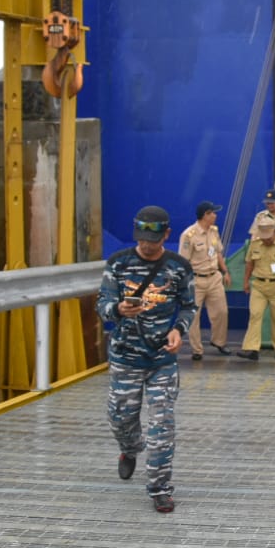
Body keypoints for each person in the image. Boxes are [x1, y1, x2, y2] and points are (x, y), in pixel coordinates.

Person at [96, 206, 196, 513]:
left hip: (161, 360)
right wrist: (117, 310)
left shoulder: (179, 268)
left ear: (166, 235)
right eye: (141, 239)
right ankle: (129, 449)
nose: (146, 245)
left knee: (161, 426)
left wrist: (179, 330)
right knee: (120, 418)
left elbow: (189, 306)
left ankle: (160, 488)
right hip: (125, 357)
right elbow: (103, 303)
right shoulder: (119, 263)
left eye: (153, 240)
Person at [236, 212, 275, 362]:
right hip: (259, 285)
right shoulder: (255, 244)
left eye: (268, 237)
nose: (266, 240)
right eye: (263, 237)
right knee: (255, 315)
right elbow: (249, 264)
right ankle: (252, 349)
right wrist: (245, 281)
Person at [177, 201, 231, 361]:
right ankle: (197, 349)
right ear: (205, 215)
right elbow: (184, 261)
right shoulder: (189, 235)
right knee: (194, 316)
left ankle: (219, 341)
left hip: (214, 277)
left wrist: (225, 271)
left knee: (221, 311)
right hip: (196, 279)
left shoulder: (214, 231)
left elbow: (218, 252)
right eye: (213, 213)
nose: (215, 215)